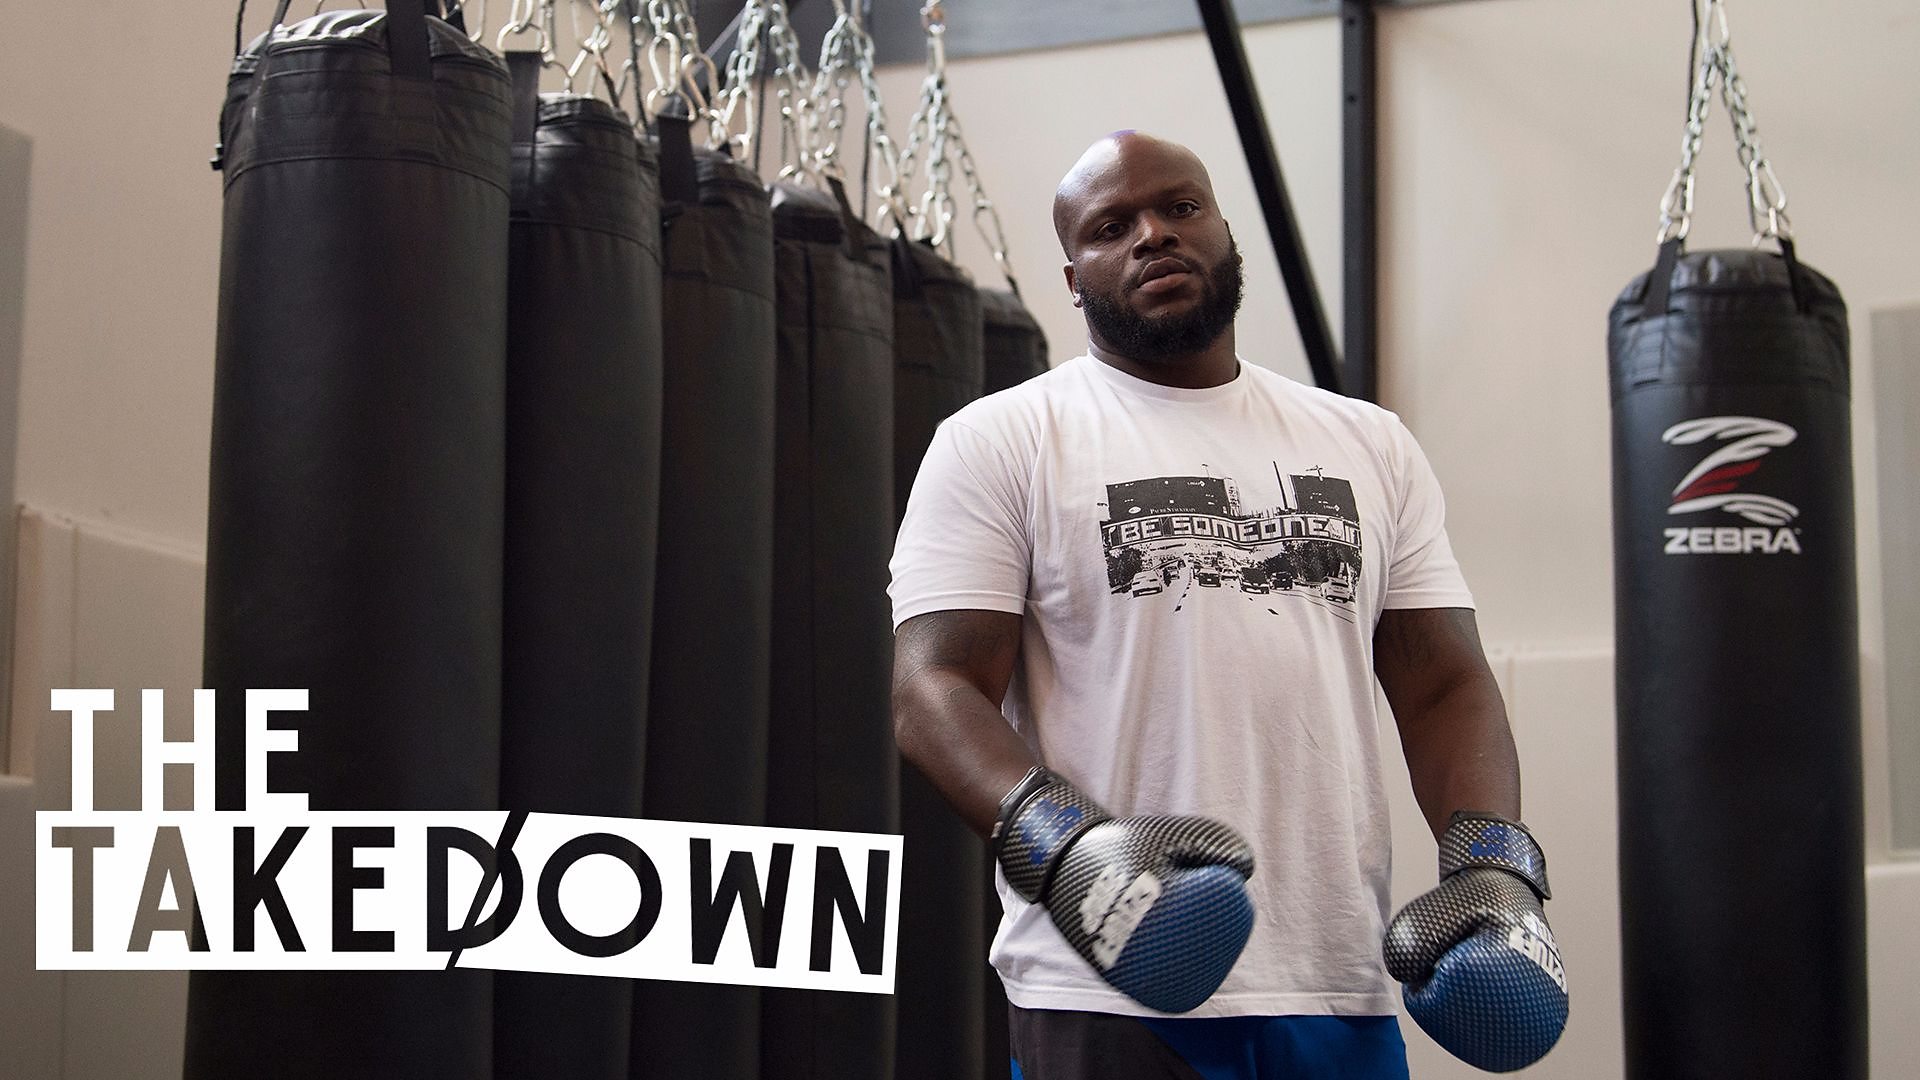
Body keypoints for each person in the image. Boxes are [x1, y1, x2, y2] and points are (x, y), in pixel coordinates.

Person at [888, 132, 1565, 1080]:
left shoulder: (1370, 443)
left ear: (1223, 230)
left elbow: (1444, 681)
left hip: (1339, 982)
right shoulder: (1001, 440)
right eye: (1111, 226)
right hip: (1113, 988)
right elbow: (932, 688)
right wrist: (1070, 851)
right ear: (1073, 279)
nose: (1153, 235)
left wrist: (1491, 864)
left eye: (1179, 207)